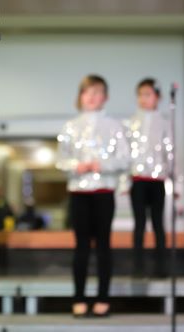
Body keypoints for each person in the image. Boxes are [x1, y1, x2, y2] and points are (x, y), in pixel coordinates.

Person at [56, 75, 130, 318]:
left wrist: (102, 164)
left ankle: (103, 298)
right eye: (87, 92)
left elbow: (124, 158)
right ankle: (78, 298)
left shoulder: (115, 126)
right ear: (80, 96)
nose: (92, 97)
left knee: (103, 246)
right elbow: (60, 159)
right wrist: (76, 165)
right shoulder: (70, 126)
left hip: (104, 192)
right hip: (78, 192)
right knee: (81, 247)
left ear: (105, 97)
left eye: (97, 92)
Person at [125, 78, 172, 278]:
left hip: (158, 180)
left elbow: (170, 153)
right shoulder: (130, 123)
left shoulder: (164, 122)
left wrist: (173, 180)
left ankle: (161, 267)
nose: (144, 99)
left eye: (148, 94)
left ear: (157, 97)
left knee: (158, 224)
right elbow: (125, 153)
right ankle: (138, 267)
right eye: (141, 95)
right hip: (137, 180)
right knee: (139, 224)